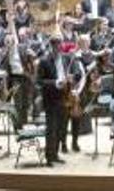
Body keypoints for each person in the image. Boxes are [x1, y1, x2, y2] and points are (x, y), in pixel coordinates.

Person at [38, 35, 67, 166]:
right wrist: (55, 82)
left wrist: (69, 78)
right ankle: (49, 157)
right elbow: (39, 82)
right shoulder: (44, 61)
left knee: (60, 128)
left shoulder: (63, 59)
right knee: (51, 129)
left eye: (60, 46)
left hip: (63, 97)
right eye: (56, 46)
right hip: (50, 100)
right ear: (52, 46)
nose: (59, 49)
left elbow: (64, 74)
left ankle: (55, 154)